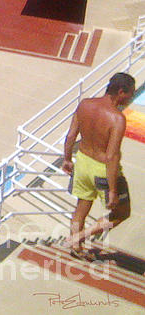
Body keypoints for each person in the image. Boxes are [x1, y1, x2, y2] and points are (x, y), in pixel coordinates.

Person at [62, 72, 135, 260]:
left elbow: (70, 136)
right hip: (103, 169)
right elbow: (112, 156)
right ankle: (80, 236)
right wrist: (112, 189)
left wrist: (67, 159)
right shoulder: (117, 118)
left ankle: (76, 248)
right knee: (122, 212)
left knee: (81, 207)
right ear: (121, 92)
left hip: (83, 162)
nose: (131, 98)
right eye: (130, 94)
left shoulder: (85, 104)